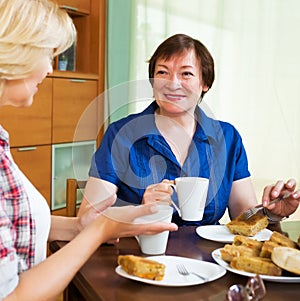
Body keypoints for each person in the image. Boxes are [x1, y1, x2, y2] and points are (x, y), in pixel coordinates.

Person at [0, 1, 178, 300]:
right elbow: (11, 295)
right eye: (47, 54)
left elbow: (16, 223)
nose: (49, 68)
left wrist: (79, 226)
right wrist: (99, 231)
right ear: (16, 53)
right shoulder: (122, 132)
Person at [79, 33, 299, 226]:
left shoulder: (227, 138)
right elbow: (88, 218)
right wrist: (140, 210)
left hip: (209, 264)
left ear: (205, 83)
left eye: (186, 74)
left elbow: (244, 217)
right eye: (163, 72)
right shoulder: (122, 134)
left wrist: (272, 214)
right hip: (139, 258)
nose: (173, 84)